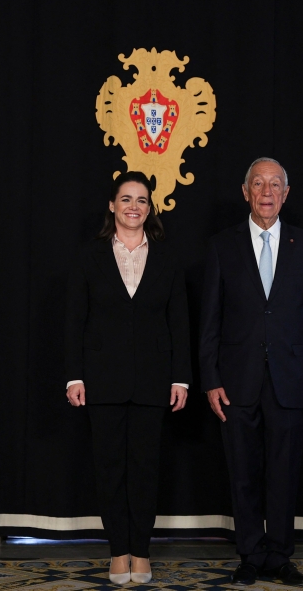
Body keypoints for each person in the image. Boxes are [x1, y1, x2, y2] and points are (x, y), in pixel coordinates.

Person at [200, 158, 303, 586]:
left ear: (286, 194)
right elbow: (210, 322)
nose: (267, 191)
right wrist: (210, 379)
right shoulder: (222, 245)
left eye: (275, 184)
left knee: (284, 472)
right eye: (259, 184)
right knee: (242, 473)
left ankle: (279, 555)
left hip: (292, 381)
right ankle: (250, 555)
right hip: (236, 381)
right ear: (246, 192)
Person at [65, 171, 191, 585]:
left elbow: (179, 323)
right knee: (109, 470)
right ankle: (119, 552)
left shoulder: (168, 258)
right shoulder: (89, 256)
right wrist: (74, 377)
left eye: (140, 200)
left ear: (149, 208)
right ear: (112, 206)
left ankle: (141, 551)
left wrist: (181, 379)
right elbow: (74, 323)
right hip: (101, 383)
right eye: (126, 199)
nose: (133, 207)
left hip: (154, 383)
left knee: (144, 470)